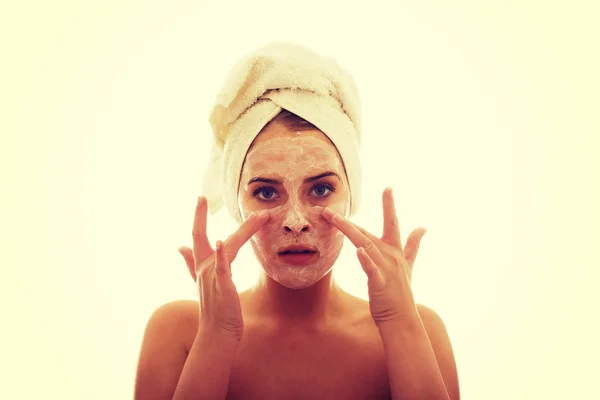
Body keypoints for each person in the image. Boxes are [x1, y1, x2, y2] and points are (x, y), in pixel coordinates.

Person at [134, 43, 460, 400]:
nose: (295, 221)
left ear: (352, 197)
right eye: (267, 193)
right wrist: (216, 334)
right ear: (237, 204)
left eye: (321, 188)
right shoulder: (179, 332)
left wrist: (400, 321)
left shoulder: (419, 328)